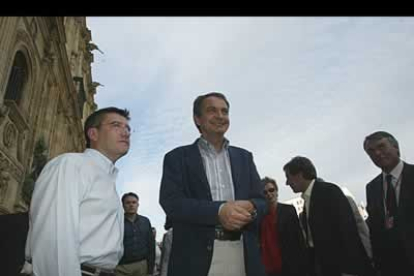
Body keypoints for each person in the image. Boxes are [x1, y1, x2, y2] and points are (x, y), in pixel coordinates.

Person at [159, 92, 267, 276]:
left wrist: (250, 206)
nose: (220, 116)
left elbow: (262, 201)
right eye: (212, 110)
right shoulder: (176, 158)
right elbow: (171, 202)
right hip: (195, 258)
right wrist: (219, 212)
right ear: (197, 119)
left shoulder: (244, 157)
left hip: (243, 254)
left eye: (224, 111)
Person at [25, 107, 131, 276]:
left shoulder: (107, 180)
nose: (125, 132)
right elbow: (54, 240)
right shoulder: (70, 165)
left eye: (128, 128)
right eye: (116, 125)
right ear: (93, 134)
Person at [283, 156, 374, 276]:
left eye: (288, 177)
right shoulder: (306, 206)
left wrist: (349, 269)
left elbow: (348, 231)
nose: (287, 183)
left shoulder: (329, 192)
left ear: (299, 174)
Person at [363, 131, 414, 275]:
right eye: (371, 151)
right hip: (392, 266)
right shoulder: (372, 188)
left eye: (381, 146)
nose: (377, 153)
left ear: (396, 147)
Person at [260, 176, 308, 276]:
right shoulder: (260, 217)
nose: (269, 194)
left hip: (289, 266)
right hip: (269, 269)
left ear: (277, 191)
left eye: (271, 190)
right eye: (265, 192)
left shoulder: (289, 211)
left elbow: (299, 239)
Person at [116, 192, 155, 276]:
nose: (131, 205)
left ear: (138, 204)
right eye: (128, 203)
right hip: (121, 267)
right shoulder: (117, 222)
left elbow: (151, 245)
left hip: (142, 265)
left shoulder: (145, 221)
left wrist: (150, 270)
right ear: (122, 205)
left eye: (134, 202)